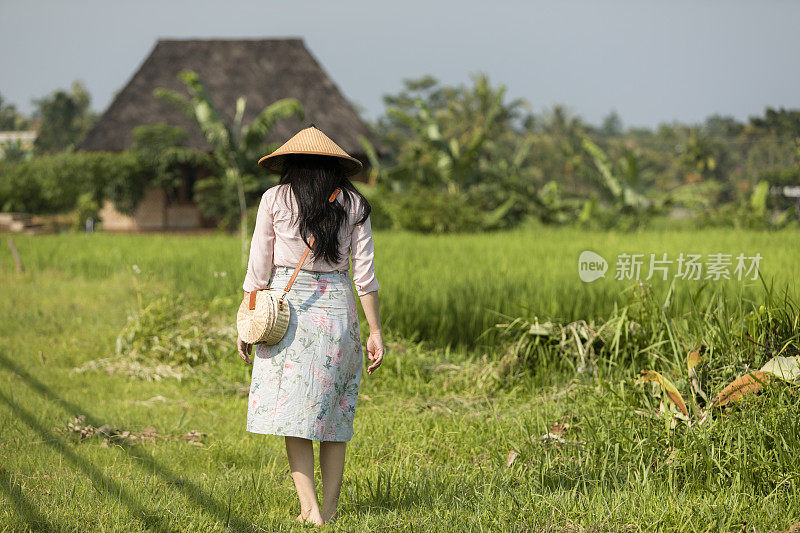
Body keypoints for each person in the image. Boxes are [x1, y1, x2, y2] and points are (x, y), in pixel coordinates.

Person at [237, 125, 385, 526]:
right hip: (339, 312)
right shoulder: (354, 204)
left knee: (294, 413)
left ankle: (310, 510)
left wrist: (246, 320)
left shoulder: (274, 199)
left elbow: (259, 268)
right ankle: (332, 510)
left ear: (291, 163)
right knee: (335, 416)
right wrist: (375, 332)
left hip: (288, 312)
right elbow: (365, 276)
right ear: (335, 166)